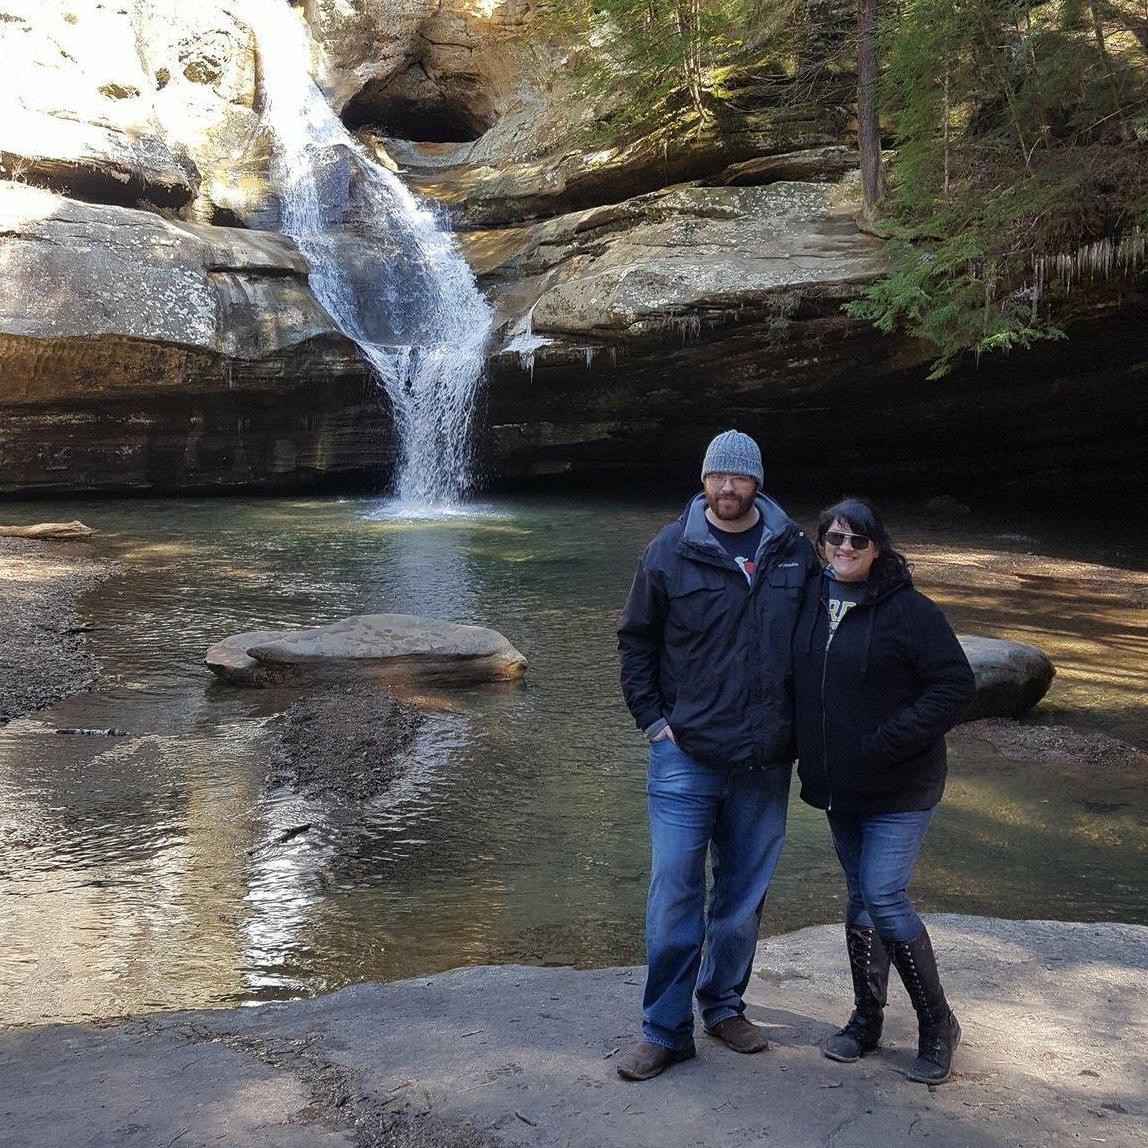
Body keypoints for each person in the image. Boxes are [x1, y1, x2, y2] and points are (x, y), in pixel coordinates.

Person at [615, 430, 818, 1081]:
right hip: (686, 756)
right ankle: (664, 1030)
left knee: (740, 897)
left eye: (739, 477)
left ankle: (723, 1006)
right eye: (716, 477)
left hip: (764, 761)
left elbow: (821, 643)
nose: (727, 488)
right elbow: (635, 640)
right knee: (675, 891)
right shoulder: (669, 551)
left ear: (757, 481)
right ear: (703, 481)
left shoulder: (793, 554)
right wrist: (652, 722)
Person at [792, 496, 975, 1084]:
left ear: (879, 547)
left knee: (884, 893)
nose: (844, 550)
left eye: (857, 541)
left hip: (901, 782)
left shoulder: (911, 612)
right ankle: (866, 1021)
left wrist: (891, 738)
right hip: (841, 784)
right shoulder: (812, 602)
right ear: (821, 544)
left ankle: (937, 1025)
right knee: (860, 897)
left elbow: (954, 686)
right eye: (834, 539)